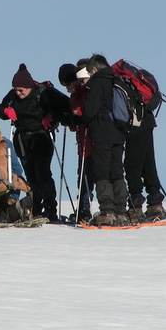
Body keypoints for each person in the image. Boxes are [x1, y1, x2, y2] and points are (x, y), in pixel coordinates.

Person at [0, 63, 71, 221]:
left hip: (41, 137)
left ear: (29, 86)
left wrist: (51, 118)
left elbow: (65, 105)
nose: (18, 93)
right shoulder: (12, 95)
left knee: (42, 173)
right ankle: (35, 207)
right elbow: (1, 108)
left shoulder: (43, 93)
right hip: (22, 138)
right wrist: (5, 110)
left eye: (21, 90)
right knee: (30, 175)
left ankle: (50, 208)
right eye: (16, 89)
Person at [79, 54, 128, 225]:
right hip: (119, 133)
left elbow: (90, 110)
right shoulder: (117, 80)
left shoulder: (97, 83)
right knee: (117, 170)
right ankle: (121, 211)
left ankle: (107, 211)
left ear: (93, 69)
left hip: (101, 133)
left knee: (102, 171)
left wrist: (81, 119)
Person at [122, 80, 166, 223]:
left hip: (136, 124)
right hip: (146, 121)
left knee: (132, 165)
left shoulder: (113, 82)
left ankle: (136, 207)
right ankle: (155, 204)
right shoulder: (126, 79)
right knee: (148, 164)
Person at [58, 62, 94, 223]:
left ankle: (107, 208)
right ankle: (83, 209)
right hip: (82, 144)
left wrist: (78, 117)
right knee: (83, 177)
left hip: (95, 141)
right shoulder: (74, 96)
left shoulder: (86, 92)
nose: (68, 88)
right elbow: (75, 124)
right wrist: (70, 120)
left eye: (68, 84)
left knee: (96, 176)